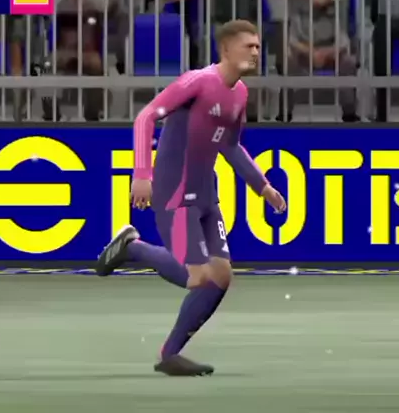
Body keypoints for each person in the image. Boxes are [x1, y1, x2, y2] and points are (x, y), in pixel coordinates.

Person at [95, 20, 287, 377]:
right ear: (226, 49)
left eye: (258, 46)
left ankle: (170, 354)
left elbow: (231, 146)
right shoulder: (197, 82)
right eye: (248, 46)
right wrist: (142, 173)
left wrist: (263, 187)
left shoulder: (240, 94)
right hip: (176, 192)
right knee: (198, 277)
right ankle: (133, 248)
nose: (256, 52)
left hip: (206, 195)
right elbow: (146, 117)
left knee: (222, 277)